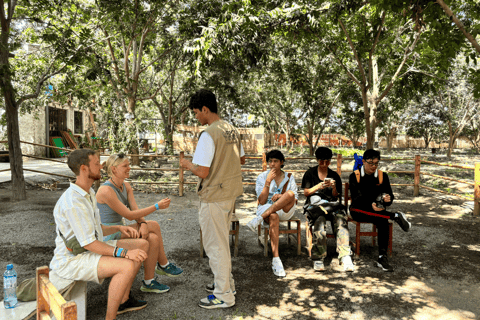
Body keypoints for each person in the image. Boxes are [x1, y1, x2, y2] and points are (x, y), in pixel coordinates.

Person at [49, 149, 149, 320]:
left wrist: (118, 228)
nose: (101, 166)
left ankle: (124, 301)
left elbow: (95, 230)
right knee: (126, 265)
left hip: (87, 249)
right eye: (96, 163)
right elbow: (89, 244)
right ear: (84, 169)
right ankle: (110, 317)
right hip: (72, 260)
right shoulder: (74, 202)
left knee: (142, 245)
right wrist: (124, 253)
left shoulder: (88, 192)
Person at [180, 89, 245, 309]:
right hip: (230, 193)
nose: (196, 117)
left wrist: (189, 165)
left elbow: (203, 172)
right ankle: (226, 284)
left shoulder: (208, 134)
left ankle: (224, 295)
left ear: (206, 109)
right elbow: (242, 159)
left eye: (197, 112)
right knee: (222, 243)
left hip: (214, 196)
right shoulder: (231, 129)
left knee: (215, 246)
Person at [96, 153, 183, 294]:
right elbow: (129, 215)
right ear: (114, 169)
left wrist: (142, 223)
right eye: (125, 166)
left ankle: (149, 282)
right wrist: (156, 206)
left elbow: (135, 211)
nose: (129, 168)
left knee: (153, 238)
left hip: (121, 230)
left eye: (129, 165)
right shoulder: (106, 190)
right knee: (154, 225)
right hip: (108, 235)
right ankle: (164, 264)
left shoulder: (126, 186)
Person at [348, 149, 411, 272]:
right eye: (371, 163)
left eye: (376, 163)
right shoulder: (355, 176)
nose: (373, 166)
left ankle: (382, 257)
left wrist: (388, 199)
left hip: (378, 212)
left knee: (382, 220)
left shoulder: (383, 176)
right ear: (364, 162)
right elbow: (356, 198)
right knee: (362, 210)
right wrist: (371, 204)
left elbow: (390, 196)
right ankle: (394, 216)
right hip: (359, 210)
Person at [246, 149, 298, 277]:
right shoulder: (262, 177)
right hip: (267, 208)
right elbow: (262, 201)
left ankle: (259, 219)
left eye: (275, 161)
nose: (272, 164)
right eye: (270, 161)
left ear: (282, 162)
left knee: (289, 193)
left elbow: (294, 199)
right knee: (273, 216)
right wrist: (268, 182)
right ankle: (276, 259)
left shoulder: (289, 177)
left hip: (285, 210)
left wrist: (281, 196)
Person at [301, 147, 354, 272]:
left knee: (341, 220)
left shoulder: (334, 175)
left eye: (327, 161)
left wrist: (334, 187)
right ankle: (318, 257)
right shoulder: (310, 174)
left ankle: (345, 255)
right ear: (317, 160)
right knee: (319, 221)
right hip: (316, 208)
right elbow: (306, 192)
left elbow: (336, 196)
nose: (324, 164)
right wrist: (319, 186)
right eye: (321, 161)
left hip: (332, 206)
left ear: (330, 161)